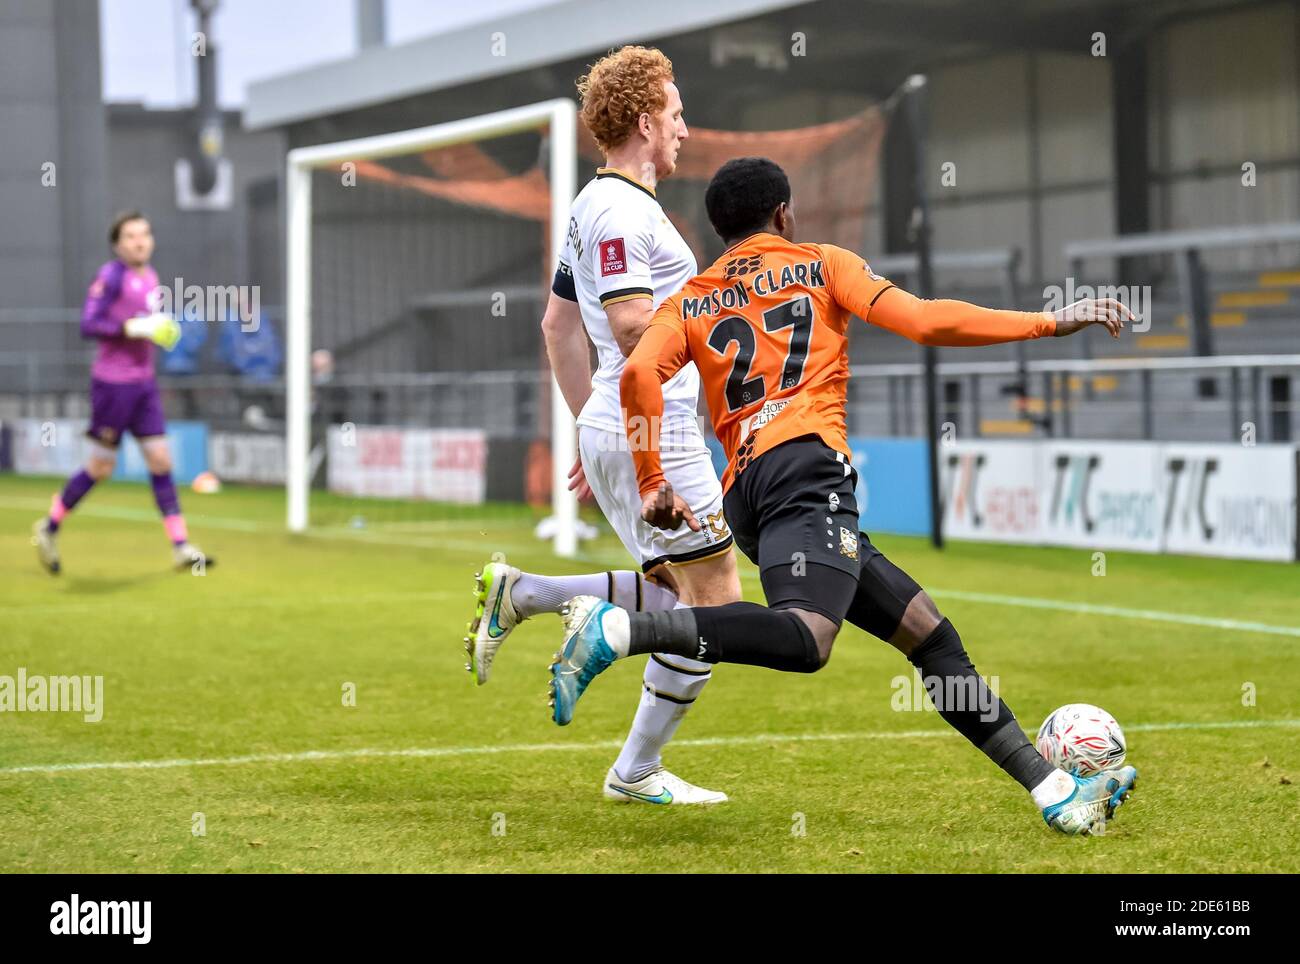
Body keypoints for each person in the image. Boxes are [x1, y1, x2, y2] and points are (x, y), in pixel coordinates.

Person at [548, 156, 1138, 835]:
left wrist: (651, 478)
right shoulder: (821, 263)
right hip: (805, 472)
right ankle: (621, 628)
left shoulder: (690, 299)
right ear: (784, 214)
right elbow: (925, 321)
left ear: (720, 230)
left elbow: (638, 372)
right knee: (808, 639)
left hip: (748, 491)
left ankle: (1054, 789)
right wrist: (1046, 322)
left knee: (928, 632)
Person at [464, 46, 738, 805]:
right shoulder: (619, 209)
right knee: (716, 610)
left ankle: (526, 593)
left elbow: (556, 326)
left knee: (678, 594)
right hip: (656, 430)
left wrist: (594, 424)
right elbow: (626, 327)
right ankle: (634, 767)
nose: (684, 129)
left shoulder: (593, 206)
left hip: (625, 424)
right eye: (677, 116)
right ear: (647, 121)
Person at [32, 211, 212, 574]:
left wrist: (161, 330)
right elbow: (89, 324)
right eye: (130, 236)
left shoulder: (151, 278)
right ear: (118, 244)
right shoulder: (111, 276)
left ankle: (180, 546)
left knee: (161, 461)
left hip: (144, 384)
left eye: (144, 234)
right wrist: (134, 326)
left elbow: (146, 329)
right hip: (112, 386)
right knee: (101, 466)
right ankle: (48, 528)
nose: (139, 241)